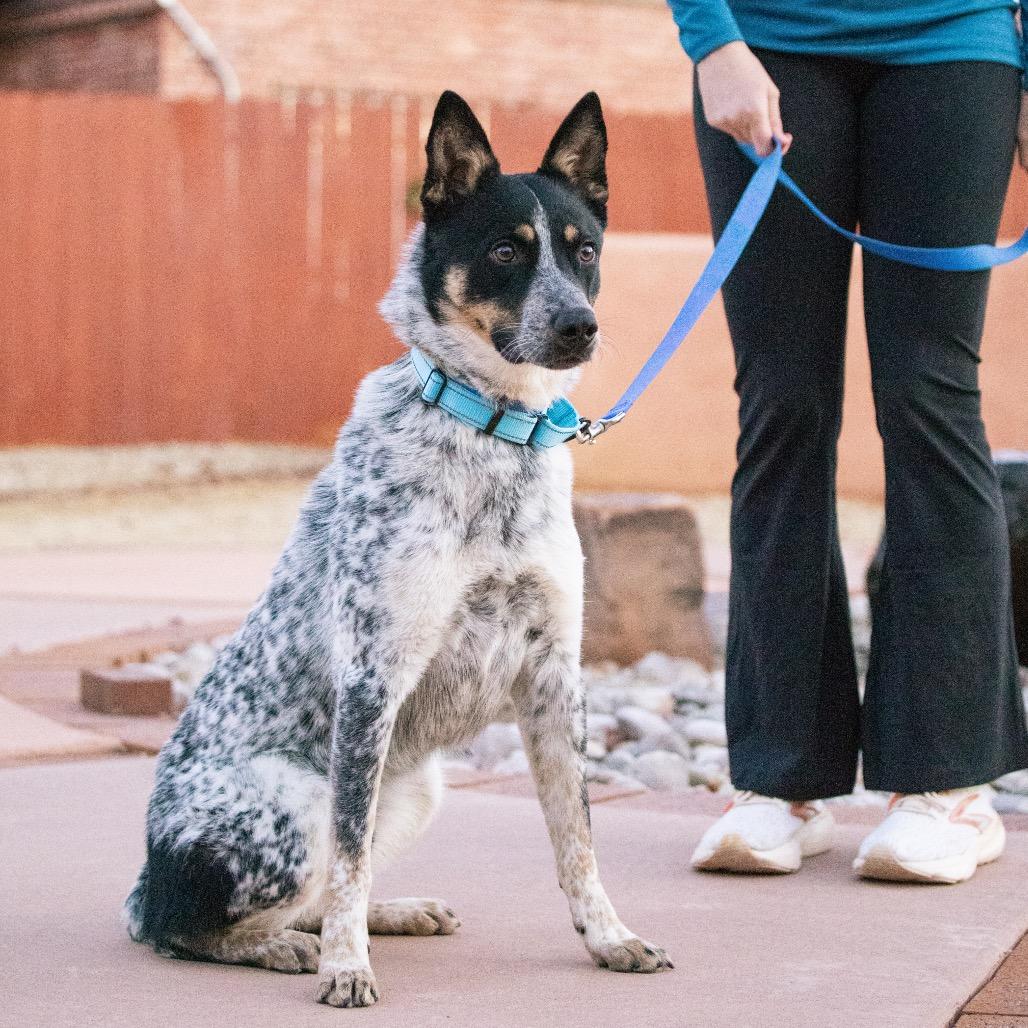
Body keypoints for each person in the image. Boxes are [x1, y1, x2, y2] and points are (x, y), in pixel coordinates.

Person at [666, 0, 1028, 883]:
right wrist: (713, 42)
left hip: (956, 44)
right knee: (783, 404)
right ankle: (779, 782)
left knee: (928, 399)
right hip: (764, 44)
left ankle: (948, 788)